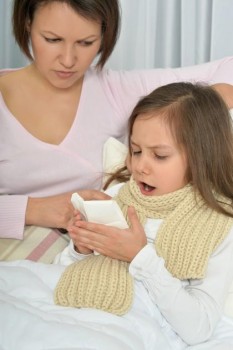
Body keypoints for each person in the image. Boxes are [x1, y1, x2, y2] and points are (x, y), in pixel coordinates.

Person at [1, 0, 233, 240]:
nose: (68, 60)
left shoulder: (115, 89)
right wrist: (33, 209)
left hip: (91, 254)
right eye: (52, 39)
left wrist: (201, 110)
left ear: (104, 33)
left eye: (85, 42)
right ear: (27, 23)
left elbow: (229, 66)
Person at [56, 82, 233, 347]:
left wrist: (140, 256)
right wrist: (81, 248)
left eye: (159, 156)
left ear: (201, 158)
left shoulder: (219, 225)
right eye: (136, 151)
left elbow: (199, 327)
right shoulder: (117, 197)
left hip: (132, 329)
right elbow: (60, 275)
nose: (139, 166)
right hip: (77, 314)